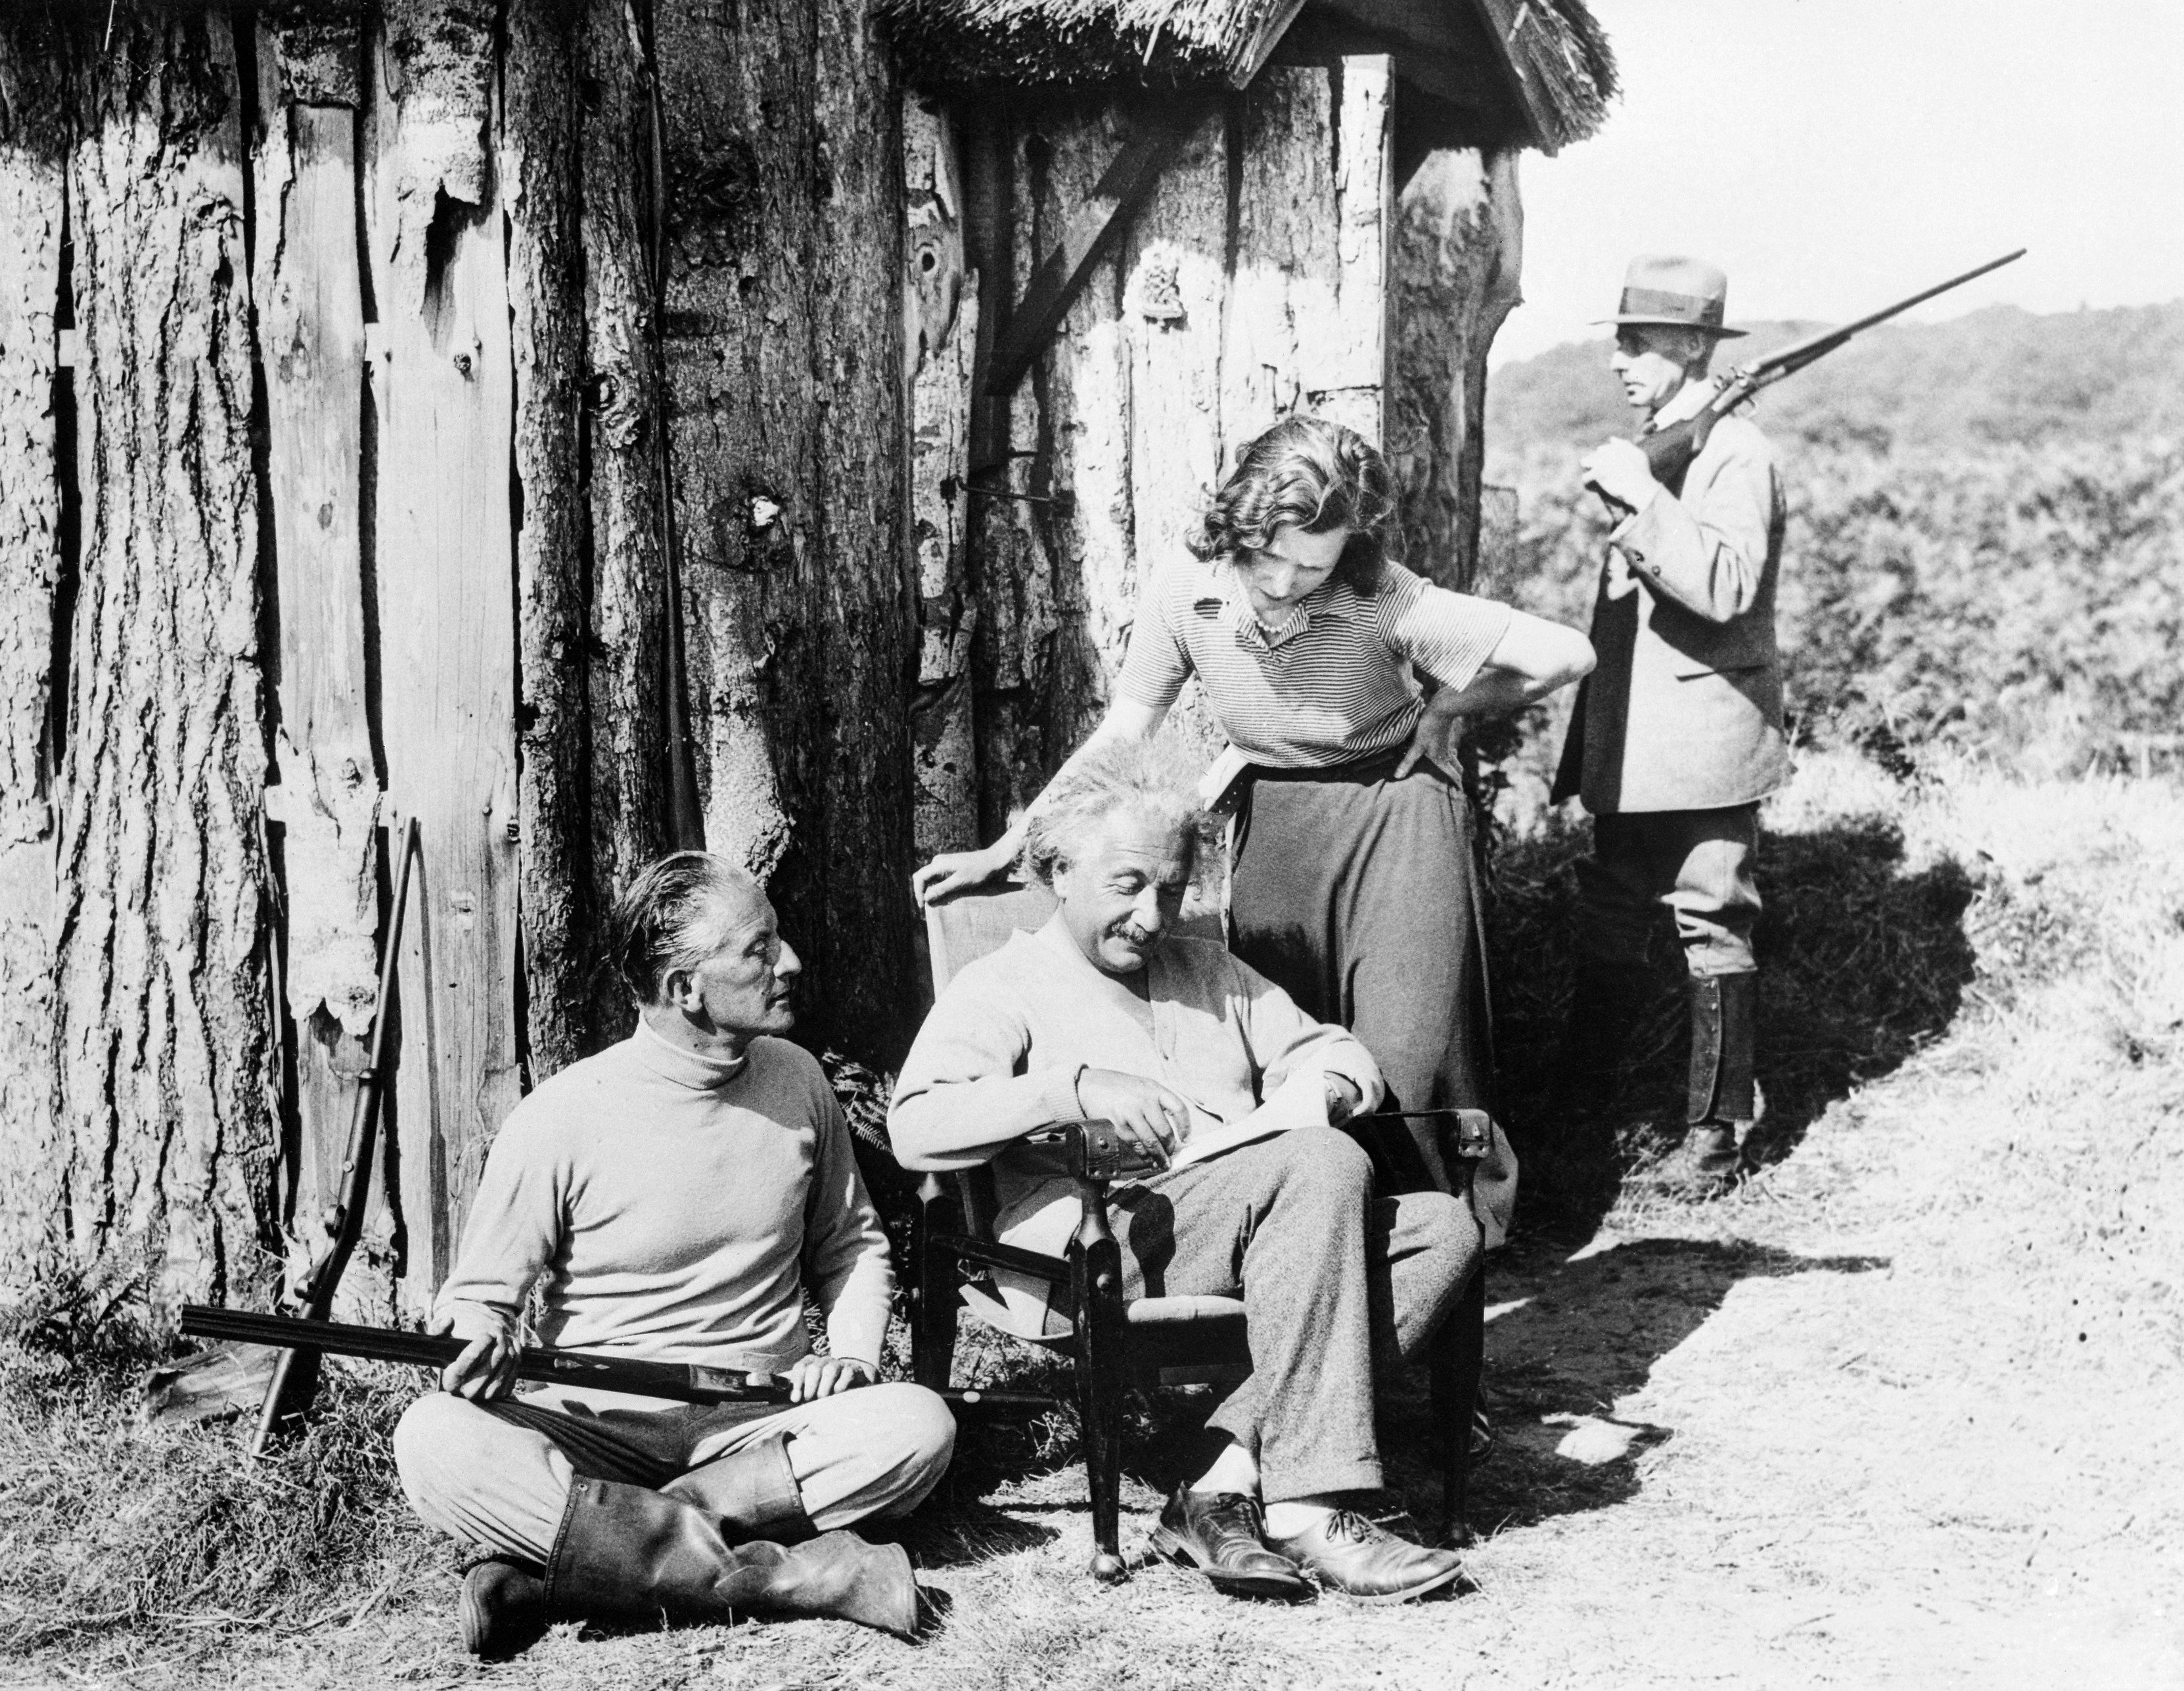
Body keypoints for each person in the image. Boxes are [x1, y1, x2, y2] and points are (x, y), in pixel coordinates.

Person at [892, 739, 1509, 1603]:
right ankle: (1309, 1508)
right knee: (1317, 1162)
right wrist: (1067, 1089)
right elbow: (916, 1124)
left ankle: (1218, 1473)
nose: (1151, 914)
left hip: (1246, 1217)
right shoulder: (1005, 986)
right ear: (1060, 871)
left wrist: (1325, 1082)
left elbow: (1335, 1052)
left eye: (1173, 888)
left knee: (1440, 1229)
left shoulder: (1209, 972)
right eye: (1128, 884)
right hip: (1098, 1238)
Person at [913, 415, 1593, 1194]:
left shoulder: (1384, 597)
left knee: (1407, 1058)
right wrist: (1013, 843)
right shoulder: (1187, 589)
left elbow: (1568, 652)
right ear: (1237, 526)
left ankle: (1430, 1262)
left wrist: (1446, 709)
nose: (1281, 581)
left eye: (1311, 566)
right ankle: (1306, 1248)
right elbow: (1126, 726)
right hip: (1277, 820)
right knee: (1291, 1051)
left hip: (1396, 813)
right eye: (1267, 555)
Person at [391, 853, 955, 1658]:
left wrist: (856, 1356)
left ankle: (567, 1571)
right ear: (685, 988)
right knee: (432, 1437)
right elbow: (480, 1297)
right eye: (759, 950)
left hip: (758, 1426)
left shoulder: (799, 1081)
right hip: (589, 1430)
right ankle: (801, 1573)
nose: (790, 962)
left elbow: (853, 1247)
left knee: (918, 1424)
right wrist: (474, 1340)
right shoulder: (561, 1115)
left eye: (779, 940)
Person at [1549, 255, 1789, 1197]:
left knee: (1712, 927)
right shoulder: (1671, 440)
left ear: (1692, 345)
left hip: (1704, 743)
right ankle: (1580, 1113)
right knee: (1610, 917)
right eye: (1618, 339)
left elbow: (1724, 587)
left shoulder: (1738, 454)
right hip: (1635, 733)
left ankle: (1719, 1134)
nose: (1620, 358)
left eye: (1639, 341)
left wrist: (1642, 499)